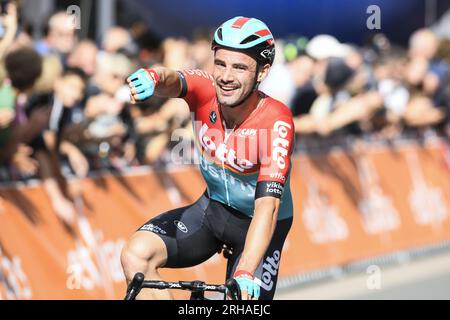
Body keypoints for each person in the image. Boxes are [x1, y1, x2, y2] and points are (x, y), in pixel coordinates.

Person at [121, 16, 295, 300]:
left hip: (258, 225)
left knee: (241, 301)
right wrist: (152, 78)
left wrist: (245, 270)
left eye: (239, 67)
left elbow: (268, 206)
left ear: (262, 72)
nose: (226, 76)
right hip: (212, 211)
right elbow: (173, 79)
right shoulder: (204, 89)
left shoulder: (276, 121)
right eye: (221, 63)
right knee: (136, 255)